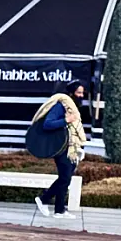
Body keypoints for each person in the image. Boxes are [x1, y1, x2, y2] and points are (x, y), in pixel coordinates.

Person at [33, 81, 88, 220]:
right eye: (78, 93)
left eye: (82, 93)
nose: (81, 96)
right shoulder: (60, 107)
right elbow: (48, 124)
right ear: (71, 93)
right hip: (61, 148)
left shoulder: (73, 108)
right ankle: (44, 199)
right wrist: (66, 120)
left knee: (66, 179)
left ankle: (59, 210)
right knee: (65, 178)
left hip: (71, 148)